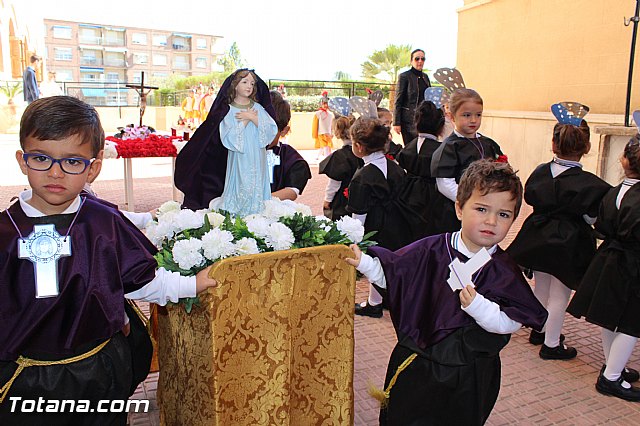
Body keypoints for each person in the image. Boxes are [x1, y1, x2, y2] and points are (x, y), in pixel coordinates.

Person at [0, 96, 217, 424]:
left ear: (93, 167)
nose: (55, 172)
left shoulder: (103, 224)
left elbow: (144, 281)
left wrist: (192, 284)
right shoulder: (5, 231)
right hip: (26, 380)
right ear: (22, 160)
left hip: (96, 371)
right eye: (41, 158)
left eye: (72, 161)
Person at [346, 159, 547, 425]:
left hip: (470, 373)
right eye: (481, 208)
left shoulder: (505, 271)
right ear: (460, 208)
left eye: (503, 214)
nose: (491, 221)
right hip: (418, 363)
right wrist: (365, 263)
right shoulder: (431, 249)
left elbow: (509, 322)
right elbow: (396, 275)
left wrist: (479, 307)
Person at [507, 109, 611, 360]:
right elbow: (592, 217)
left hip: (538, 236)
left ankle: (539, 328)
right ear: (586, 147)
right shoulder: (590, 183)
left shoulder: (541, 171)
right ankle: (551, 344)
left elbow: (531, 196)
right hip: (569, 242)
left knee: (541, 286)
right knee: (559, 296)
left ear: (553, 144)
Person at [567, 134, 640, 401]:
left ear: (623, 160)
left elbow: (599, 224)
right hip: (633, 263)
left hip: (610, 259)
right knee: (632, 323)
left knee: (611, 317)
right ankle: (610, 378)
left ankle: (613, 367)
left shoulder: (614, 190)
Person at [347, 117, 427, 318]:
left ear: (357, 146)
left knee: (376, 262)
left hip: (378, 229)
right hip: (401, 222)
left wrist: (355, 240)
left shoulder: (361, 177)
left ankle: (377, 303)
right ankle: (381, 300)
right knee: (389, 262)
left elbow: (359, 215)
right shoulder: (395, 167)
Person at [174, 69, 277, 212]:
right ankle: (240, 207)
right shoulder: (228, 110)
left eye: (252, 84)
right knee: (241, 180)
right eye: (244, 82)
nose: (249, 86)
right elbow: (229, 137)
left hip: (256, 153)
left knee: (256, 180)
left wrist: (253, 117)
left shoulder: (257, 108)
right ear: (235, 85)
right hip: (239, 155)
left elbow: (271, 129)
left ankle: (256, 207)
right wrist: (245, 121)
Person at [430, 88, 504, 234]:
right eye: (466, 115)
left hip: (486, 207)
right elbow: (445, 183)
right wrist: (470, 201)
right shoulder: (450, 147)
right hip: (456, 210)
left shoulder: (488, 143)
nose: (473, 120)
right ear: (451, 116)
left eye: (478, 115)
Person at [396, 100, 448, 237]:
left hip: (406, 195)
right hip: (433, 198)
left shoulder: (407, 148)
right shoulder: (442, 151)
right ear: (441, 126)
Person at [267, 90, 312, 201]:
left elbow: (292, 191)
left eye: (269, 131)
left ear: (284, 131)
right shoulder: (239, 151)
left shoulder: (291, 159)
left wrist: (259, 202)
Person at [319, 114, 362, 220]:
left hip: (342, 200)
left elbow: (334, 182)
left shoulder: (340, 156)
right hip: (361, 196)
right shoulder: (364, 152)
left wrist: (327, 199)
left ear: (337, 132)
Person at [393, 49, 431, 145]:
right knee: (410, 147)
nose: (420, 61)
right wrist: (396, 122)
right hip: (409, 121)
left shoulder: (425, 77)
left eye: (423, 59)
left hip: (423, 119)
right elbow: (398, 100)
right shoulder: (404, 76)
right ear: (411, 61)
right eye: (417, 59)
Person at [313, 91, 334, 159]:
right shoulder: (318, 114)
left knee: (325, 146)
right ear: (321, 104)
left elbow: (332, 125)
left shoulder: (330, 114)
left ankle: (317, 157)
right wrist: (315, 134)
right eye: (324, 103)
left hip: (328, 133)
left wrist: (332, 133)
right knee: (325, 147)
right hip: (321, 133)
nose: (325, 105)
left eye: (327, 104)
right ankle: (326, 159)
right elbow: (315, 125)